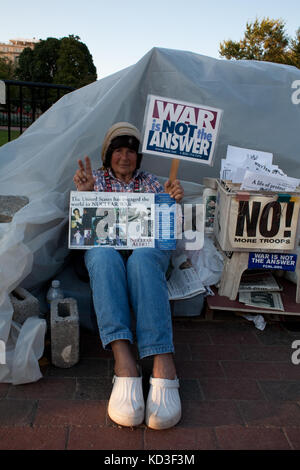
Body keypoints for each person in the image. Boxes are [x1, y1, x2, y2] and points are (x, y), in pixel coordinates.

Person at [73, 122, 184, 430]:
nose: (125, 157)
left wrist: (172, 202)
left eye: (131, 151)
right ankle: (124, 360)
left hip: (145, 252)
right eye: (118, 150)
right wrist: (85, 196)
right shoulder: (94, 180)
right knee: (104, 255)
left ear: (138, 156)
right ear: (108, 154)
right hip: (107, 251)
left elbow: (167, 231)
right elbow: (84, 232)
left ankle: (162, 360)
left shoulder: (151, 182)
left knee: (143, 259)